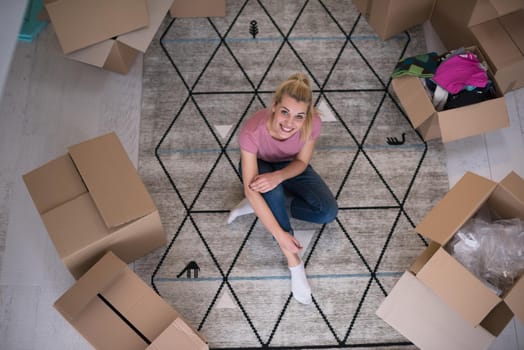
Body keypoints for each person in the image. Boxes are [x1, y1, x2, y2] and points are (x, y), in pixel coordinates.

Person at [227, 73, 338, 305]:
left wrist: (278, 177)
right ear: (274, 106)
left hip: (289, 166)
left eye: (299, 116)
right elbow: (250, 188)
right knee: (267, 194)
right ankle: (295, 264)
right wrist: (281, 235)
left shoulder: (313, 122)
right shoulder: (251, 131)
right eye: (285, 112)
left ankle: (264, 207)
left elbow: (302, 163)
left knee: (327, 212)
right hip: (260, 165)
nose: (290, 123)